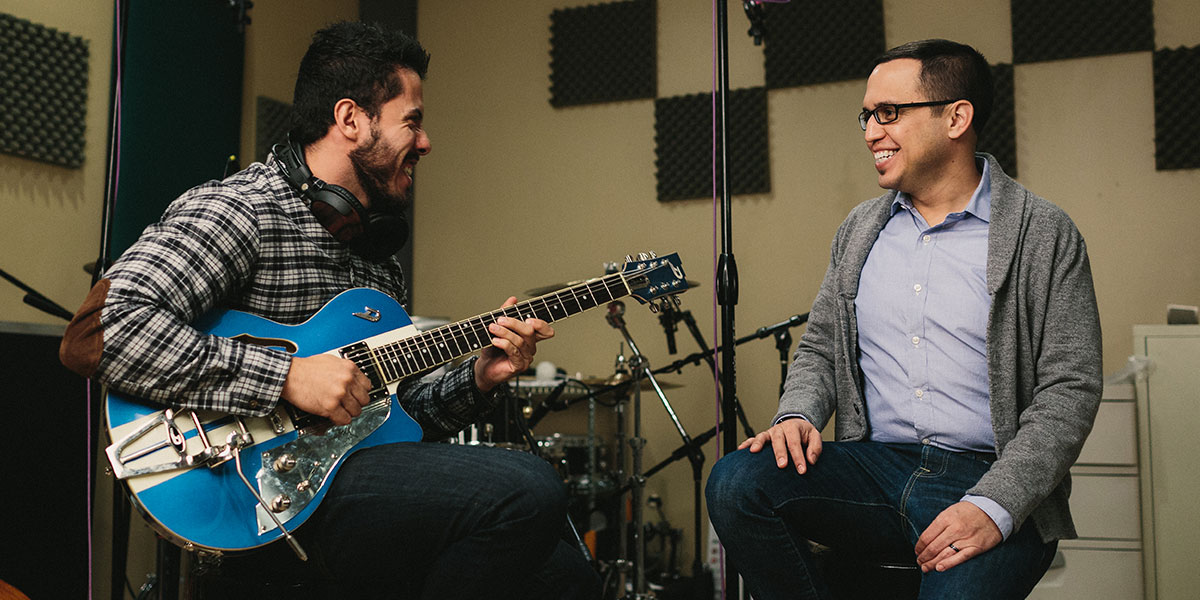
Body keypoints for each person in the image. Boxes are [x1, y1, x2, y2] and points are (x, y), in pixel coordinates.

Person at [61, 21, 598, 600]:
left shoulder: (373, 254)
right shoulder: (244, 210)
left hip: (345, 480)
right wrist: (286, 377)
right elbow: (100, 332)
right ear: (350, 120)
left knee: (567, 577)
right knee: (526, 487)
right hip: (252, 487)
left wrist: (479, 374)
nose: (425, 142)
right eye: (411, 122)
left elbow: (390, 414)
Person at [705, 39, 1102, 599]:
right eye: (866, 115)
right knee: (736, 481)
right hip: (876, 469)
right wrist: (798, 413)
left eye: (888, 113)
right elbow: (821, 346)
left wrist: (995, 506)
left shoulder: (1043, 233)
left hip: (988, 478)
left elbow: (1071, 388)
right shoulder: (860, 228)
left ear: (956, 117)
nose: (870, 131)